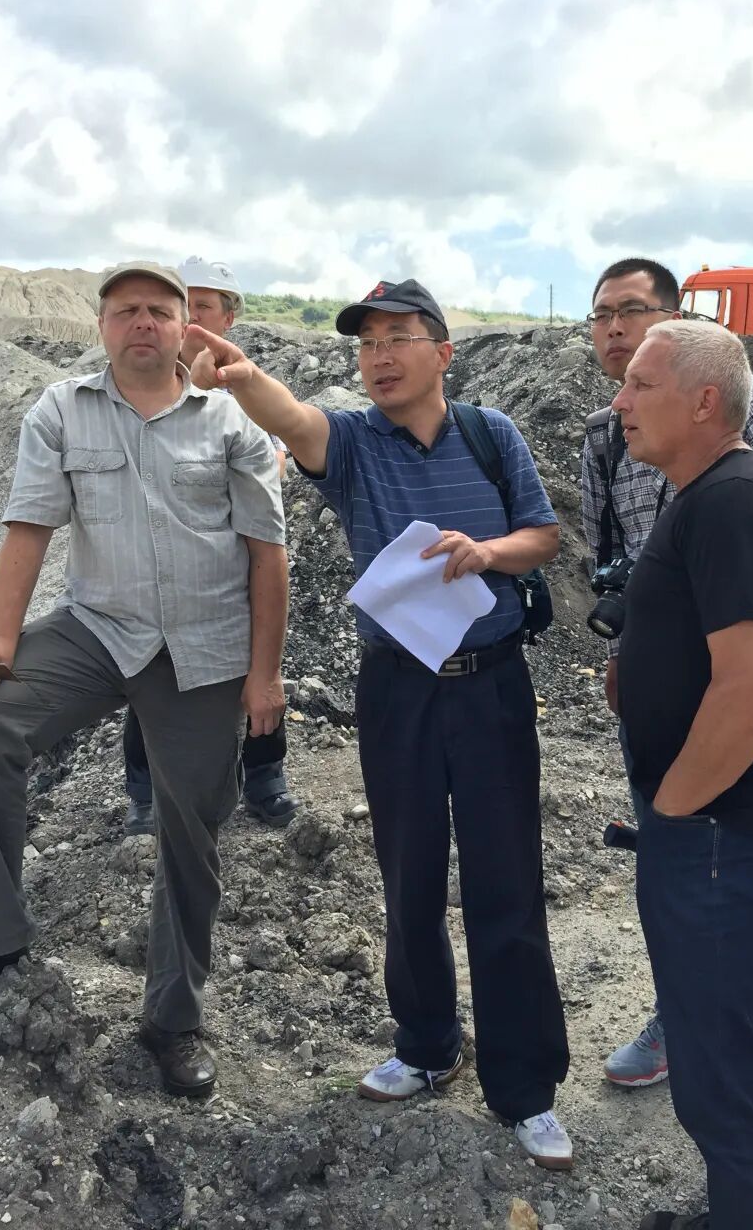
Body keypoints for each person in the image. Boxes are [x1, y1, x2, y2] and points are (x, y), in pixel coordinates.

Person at [181, 278, 574, 1169]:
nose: (379, 356)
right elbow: (292, 420)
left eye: (398, 337)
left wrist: (488, 553)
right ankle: (427, 1046)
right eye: (366, 343)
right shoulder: (354, 444)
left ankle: (525, 1089)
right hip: (398, 690)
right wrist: (240, 374)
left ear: (443, 352)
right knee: (409, 873)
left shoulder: (492, 433)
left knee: (507, 879)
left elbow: (543, 535)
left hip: (492, 686)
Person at [0, 262, 287, 1099]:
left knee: (193, 825)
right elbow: (29, 526)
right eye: (125, 311)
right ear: (102, 327)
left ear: (184, 327)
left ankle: (173, 1019)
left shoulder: (232, 422)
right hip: (99, 630)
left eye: (159, 310)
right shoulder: (60, 411)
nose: (142, 322)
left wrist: (264, 675)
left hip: (204, 648)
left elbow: (268, 554)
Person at [581, 257, 753, 1133]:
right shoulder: (607, 432)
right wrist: (635, 646)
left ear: (675, 323)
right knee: (683, 880)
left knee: (751, 873)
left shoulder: (744, 407)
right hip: (660, 696)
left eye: (634, 311)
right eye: (602, 315)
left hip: (735, 692)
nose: (616, 330)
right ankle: (688, 1011)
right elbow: (611, 559)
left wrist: (732, 641)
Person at [616, 319, 753, 1230]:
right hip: (717, 829)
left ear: (705, 401)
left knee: (718, 1070)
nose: (619, 402)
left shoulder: (738, 503)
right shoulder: (708, 496)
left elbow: (752, 693)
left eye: (641, 384)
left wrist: (671, 814)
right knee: (738, 1049)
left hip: (720, 832)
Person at [120, 255, 299, 835]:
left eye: (204, 306)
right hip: (161, 561)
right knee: (152, 671)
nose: (193, 317)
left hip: (239, 556)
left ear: (228, 317)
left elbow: (279, 456)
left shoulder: (245, 384)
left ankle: (264, 773)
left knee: (259, 660)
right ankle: (146, 789)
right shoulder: (144, 384)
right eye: (186, 305)